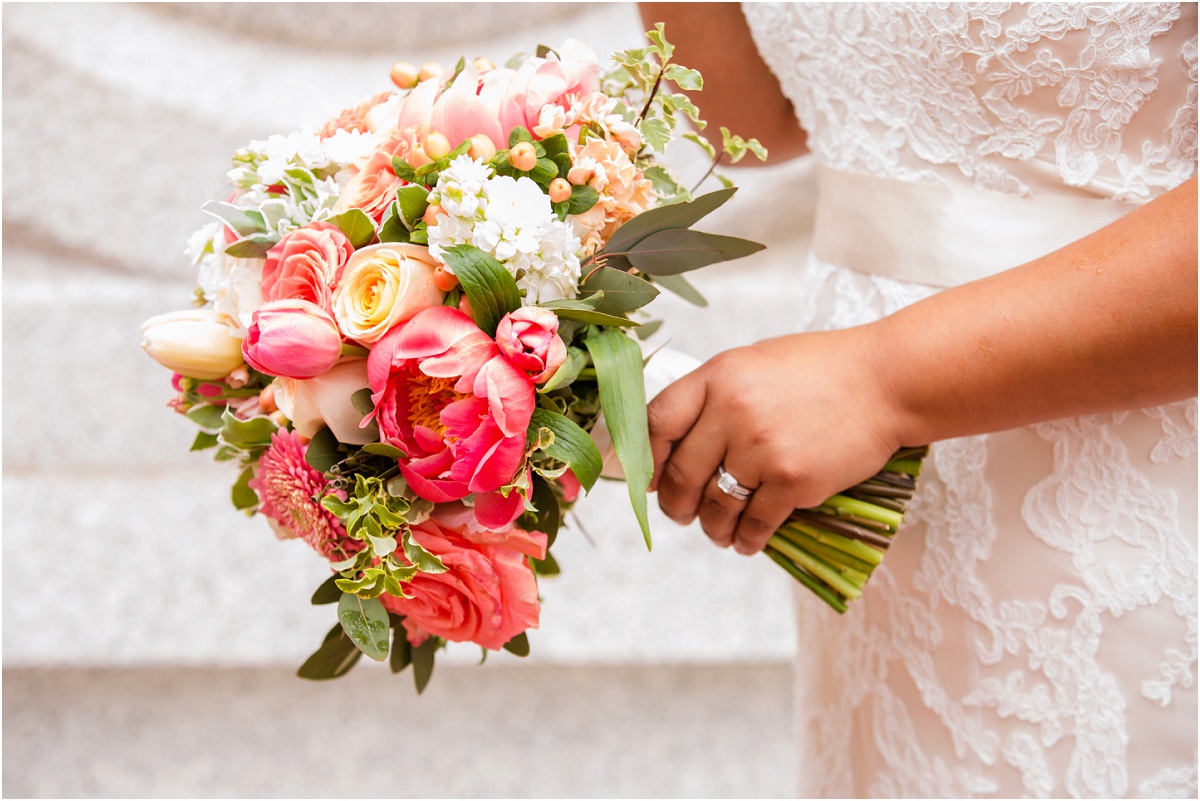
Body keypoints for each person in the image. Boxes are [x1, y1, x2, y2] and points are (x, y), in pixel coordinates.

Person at [641, 3, 1197, 797]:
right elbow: (744, 115)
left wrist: (875, 381)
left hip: (1130, 511)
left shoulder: (872, 384)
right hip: (886, 526)